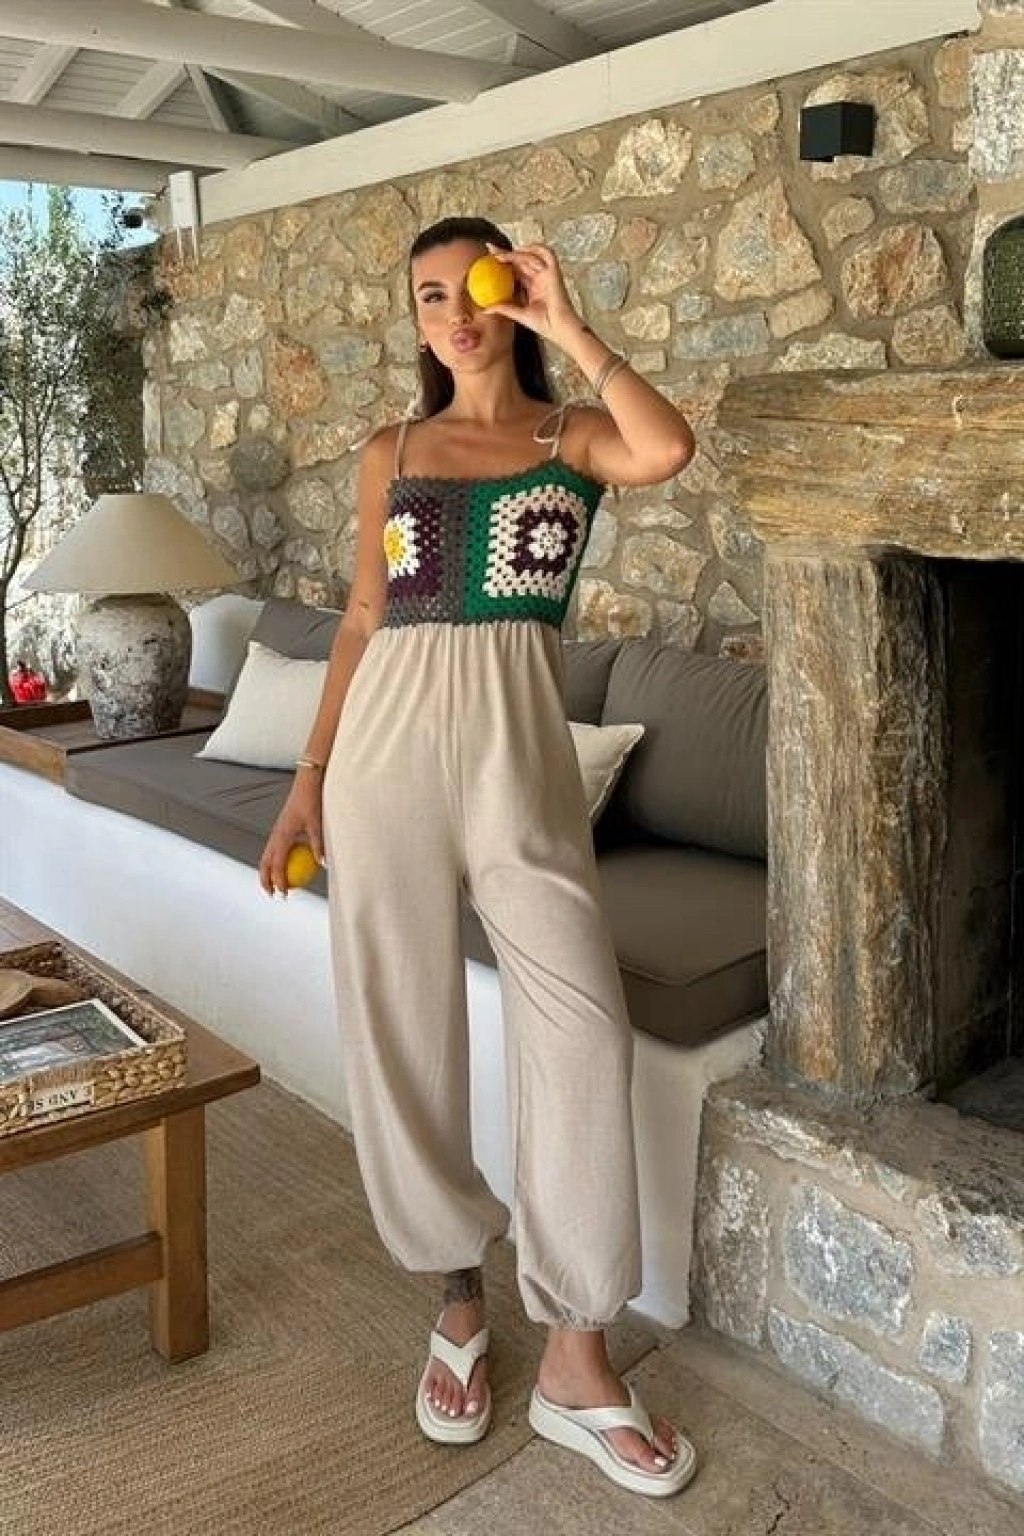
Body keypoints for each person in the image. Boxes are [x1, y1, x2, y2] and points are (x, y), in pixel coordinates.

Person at [259, 216, 697, 1498]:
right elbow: (359, 616)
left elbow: (666, 448)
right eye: (430, 297)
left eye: (476, 288)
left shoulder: (570, 440)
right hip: (385, 757)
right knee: (399, 1022)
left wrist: (569, 324)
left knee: (582, 1031)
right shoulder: (390, 452)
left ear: (514, 291)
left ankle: (575, 1354)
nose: (454, 314)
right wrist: (307, 782)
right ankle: (457, 1292)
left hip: (519, 765)